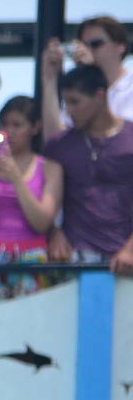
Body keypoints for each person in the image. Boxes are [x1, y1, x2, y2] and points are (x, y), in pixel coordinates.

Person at [0, 96, 62, 302]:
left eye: (17, 125)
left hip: (32, 257)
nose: (9, 132)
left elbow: (41, 223)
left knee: (31, 327)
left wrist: (17, 179)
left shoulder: (49, 167)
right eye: (4, 124)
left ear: (35, 127)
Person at [42, 65, 133, 275]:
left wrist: (130, 249)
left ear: (99, 96)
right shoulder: (59, 145)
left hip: (126, 259)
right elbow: (47, 200)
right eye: (66, 103)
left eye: (75, 101)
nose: (69, 110)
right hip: (74, 258)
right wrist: (54, 231)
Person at [41, 15, 133, 137]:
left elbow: (122, 137)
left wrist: (92, 69)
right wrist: (50, 79)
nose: (87, 51)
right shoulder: (78, 91)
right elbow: (56, 142)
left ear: (121, 46)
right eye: (83, 46)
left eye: (95, 44)